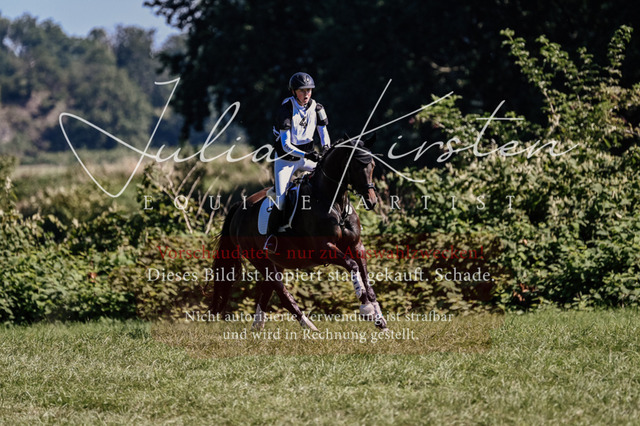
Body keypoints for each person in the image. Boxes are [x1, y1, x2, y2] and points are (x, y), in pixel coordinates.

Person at [264, 72, 331, 252]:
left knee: (329, 179)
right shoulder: (285, 110)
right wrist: (307, 154)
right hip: (286, 160)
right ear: (294, 91)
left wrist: (326, 149)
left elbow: (324, 133)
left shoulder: (318, 108)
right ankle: (271, 236)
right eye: (302, 90)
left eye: (309, 90)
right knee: (281, 199)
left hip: (307, 157)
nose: (306, 94)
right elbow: (286, 145)